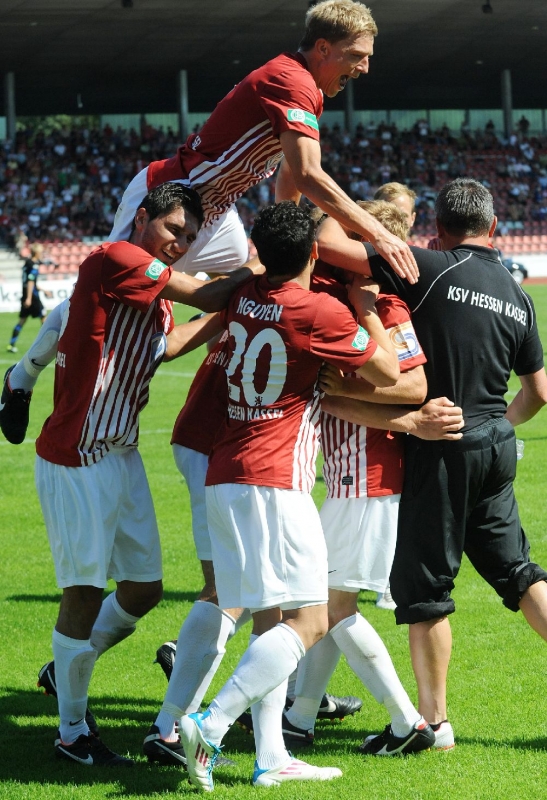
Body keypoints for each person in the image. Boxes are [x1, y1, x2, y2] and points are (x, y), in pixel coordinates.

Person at [32, 183, 262, 767]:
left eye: (189, 237)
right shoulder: (116, 257)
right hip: (77, 456)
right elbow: (204, 293)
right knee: (84, 593)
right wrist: (257, 272)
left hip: (122, 452)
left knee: (143, 590)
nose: (180, 243)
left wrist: (228, 312)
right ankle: (71, 732)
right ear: (141, 218)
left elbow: (173, 342)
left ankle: (64, 671)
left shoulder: (154, 294)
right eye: (173, 229)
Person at [316, 177, 547, 750]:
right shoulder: (518, 295)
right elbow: (539, 392)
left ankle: (434, 722)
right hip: (495, 445)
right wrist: (495, 424)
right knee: (519, 572)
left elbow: (324, 243)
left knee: (425, 590)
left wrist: (332, 196)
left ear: (438, 229)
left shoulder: (427, 266)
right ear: (494, 227)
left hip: (442, 444)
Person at [178, 200, 400, 791]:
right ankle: (209, 723)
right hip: (275, 479)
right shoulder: (320, 311)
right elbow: (386, 372)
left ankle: (271, 755)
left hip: (227, 472)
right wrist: (366, 310)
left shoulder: (244, 292)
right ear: (314, 255)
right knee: (311, 618)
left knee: (270, 620)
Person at [108, 0, 417, 282]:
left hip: (215, 209)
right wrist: (378, 234)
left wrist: (288, 225)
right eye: (356, 56)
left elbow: (291, 171)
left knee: (246, 282)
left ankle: (215, 325)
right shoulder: (293, 82)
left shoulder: (311, 89)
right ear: (323, 48)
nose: (364, 67)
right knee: (114, 285)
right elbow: (308, 175)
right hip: (170, 196)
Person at [282, 199, 435, 756]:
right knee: (327, 600)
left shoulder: (385, 306)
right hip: (352, 478)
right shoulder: (344, 297)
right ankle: (300, 716)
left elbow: (414, 387)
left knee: (331, 606)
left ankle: (407, 722)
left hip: (367, 477)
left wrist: (336, 388)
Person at [6, 243, 52, 354]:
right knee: (44, 318)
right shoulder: (34, 265)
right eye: (40, 252)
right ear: (37, 252)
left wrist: (43, 290)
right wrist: (29, 298)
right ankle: (48, 344)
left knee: (22, 321)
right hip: (32, 297)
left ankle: (11, 345)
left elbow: (30, 282)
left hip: (26, 295)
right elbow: (31, 282)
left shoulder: (27, 263)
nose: (41, 253)